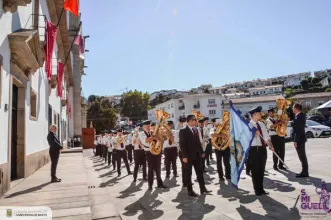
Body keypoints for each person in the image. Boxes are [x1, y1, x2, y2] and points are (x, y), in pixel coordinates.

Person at [179, 114, 211, 197]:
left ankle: (202, 188)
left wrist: (202, 151)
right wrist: (184, 156)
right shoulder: (183, 130)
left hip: (197, 155)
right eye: (194, 120)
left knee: (200, 172)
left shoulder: (196, 130)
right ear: (189, 121)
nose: (195, 121)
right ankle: (190, 191)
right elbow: (182, 144)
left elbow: (198, 142)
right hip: (188, 156)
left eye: (195, 120)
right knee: (188, 173)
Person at [248, 106, 274, 196]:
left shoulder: (261, 124)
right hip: (254, 150)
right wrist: (254, 134)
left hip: (262, 149)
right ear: (254, 115)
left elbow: (267, 136)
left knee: (262, 170)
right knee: (255, 171)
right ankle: (257, 190)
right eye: (259, 113)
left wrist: (271, 145)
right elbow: (245, 138)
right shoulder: (248, 125)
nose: (261, 114)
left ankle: (261, 188)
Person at [139, 120, 167, 190]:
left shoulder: (153, 132)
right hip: (149, 153)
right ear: (143, 127)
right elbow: (147, 140)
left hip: (157, 151)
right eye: (147, 126)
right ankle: (150, 185)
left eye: (149, 125)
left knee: (158, 168)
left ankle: (159, 183)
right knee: (150, 169)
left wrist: (159, 136)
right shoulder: (141, 133)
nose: (148, 127)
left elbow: (161, 139)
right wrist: (155, 137)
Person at [292, 103, 309, 178]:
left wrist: (295, 140)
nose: (292, 109)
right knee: (301, 156)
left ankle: (305, 172)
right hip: (300, 139)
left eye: (293, 108)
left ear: (296, 108)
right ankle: (304, 171)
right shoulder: (299, 116)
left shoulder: (300, 116)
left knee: (302, 156)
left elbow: (298, 130)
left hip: (300, 139)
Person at [177, 116, 188, 187]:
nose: (183, 124)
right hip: (182, 151)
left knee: (188, 167)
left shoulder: (187, 130)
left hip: (188, 150)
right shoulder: (178, 131)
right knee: (184, 167)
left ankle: (187, 180)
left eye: (184, 122)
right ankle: (184, 182)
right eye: (182, 122)